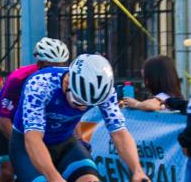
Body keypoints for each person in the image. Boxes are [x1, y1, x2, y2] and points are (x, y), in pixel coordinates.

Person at [11, 54, 149, 182]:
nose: (82, 108)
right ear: (67, 84)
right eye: (78, 102)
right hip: (26, 144)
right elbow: (33, 139)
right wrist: (54, 177)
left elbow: (119, 133)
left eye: (89, 105)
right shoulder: (40, 85)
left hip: (65, 141)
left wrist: (137, 171)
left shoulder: (105, 92)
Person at [0, 37, 69, 182]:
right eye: (51, 66)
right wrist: (24, 147)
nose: (56, 71)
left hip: (34, 124)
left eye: (61, 65)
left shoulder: (67, 80)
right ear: (39, 64)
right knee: (8, 171)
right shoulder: (18, 78)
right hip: (9, 121)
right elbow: (3, 121)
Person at [121, 55, 185, 111]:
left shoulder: (164, 96)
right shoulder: (175, 96)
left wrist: (136, 104)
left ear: (153, 79)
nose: (145, 82)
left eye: (145, 78)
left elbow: (150, 105)